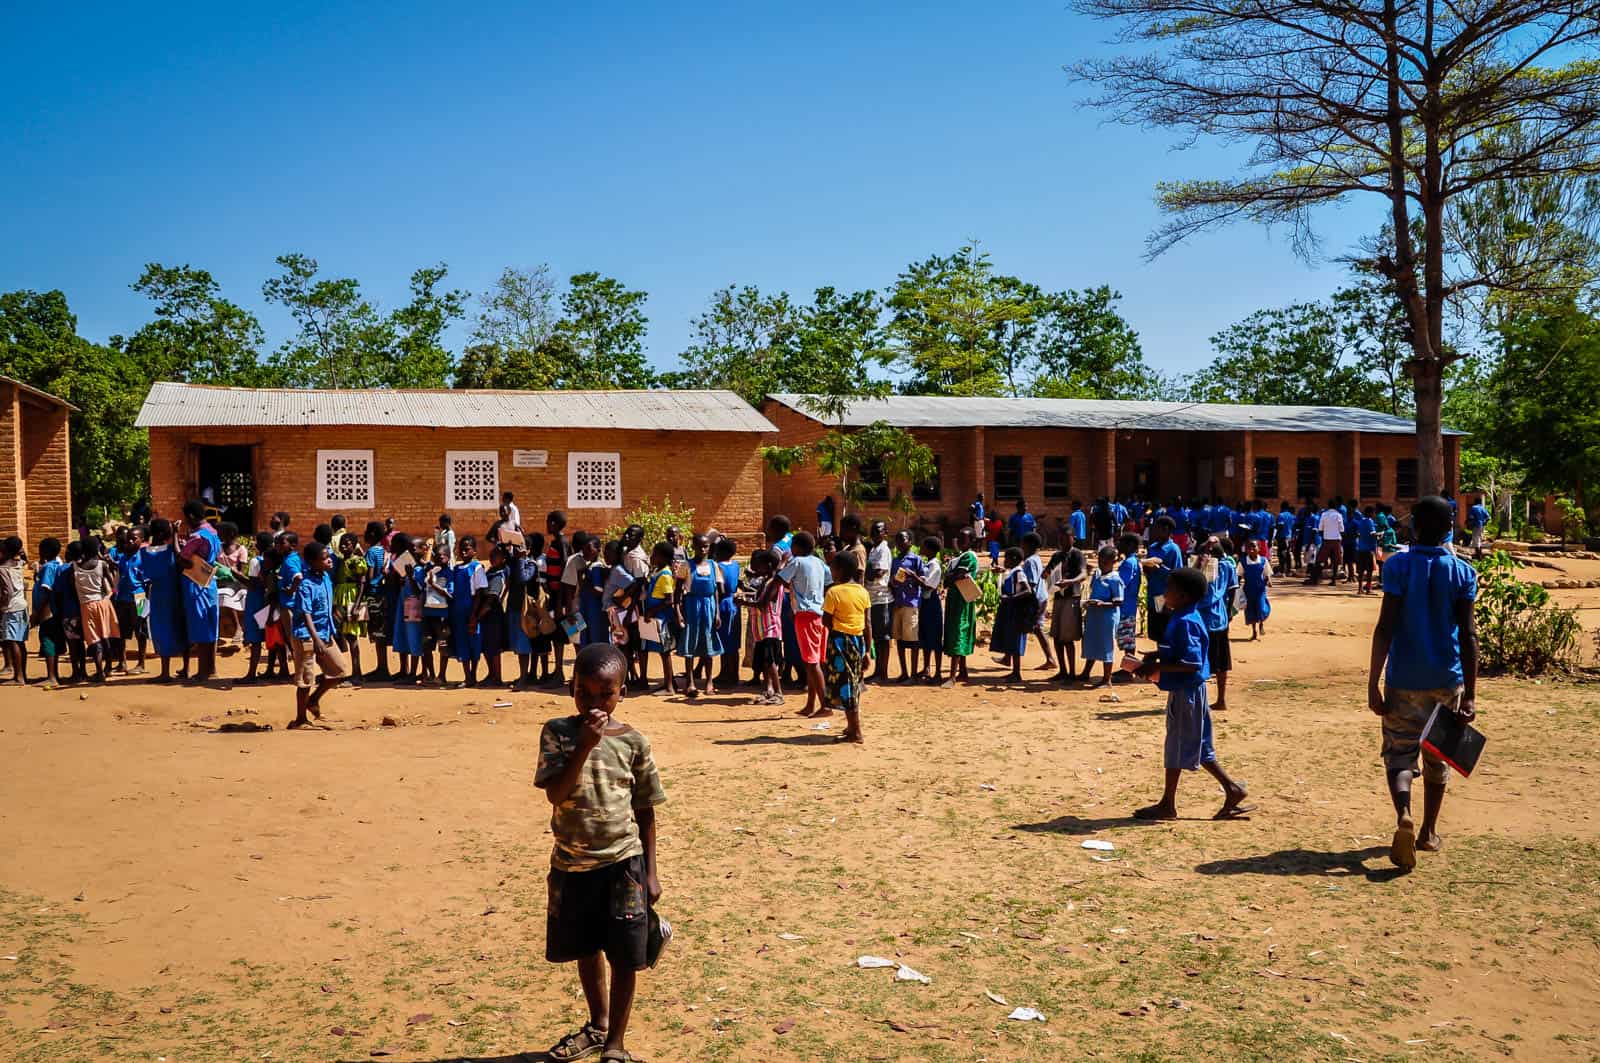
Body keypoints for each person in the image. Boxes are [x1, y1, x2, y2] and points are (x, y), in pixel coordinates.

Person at [535, 643, 665, 1063]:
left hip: (623, 863)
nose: (593, 703)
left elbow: (645, 811)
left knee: (626, 954)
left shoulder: (634, 743)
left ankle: (616, 1045)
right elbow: (556, 793)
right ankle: (598, 1024)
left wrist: (652, 873)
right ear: (571, 689)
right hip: (571, 864)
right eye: (583, 693)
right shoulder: (557, 732)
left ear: (621, 693)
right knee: (586, 948)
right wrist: (584, 747)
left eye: (604, 694)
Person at [1366, 495, 1478, 871]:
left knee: (1399, 753)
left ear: (1413, 526)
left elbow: (1385, 627)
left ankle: (1403, 815)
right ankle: (1429, 831)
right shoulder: (1463, 572)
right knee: (1438, 756)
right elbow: (1469, 636)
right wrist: (1471, 696)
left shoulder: (1397, 567)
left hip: (1403, 677)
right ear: (1451, 527)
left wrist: (1373, 682)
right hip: (1447, 677)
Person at [1131, 567, 1253, 821]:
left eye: (1170, 590)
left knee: (1177, 744)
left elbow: (1192, 663)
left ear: (1184, 595)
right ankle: (1232, 789)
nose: (1165, 594)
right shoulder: (1185, 616)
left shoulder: (1186, 621)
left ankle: (1169, 804)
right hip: (1188, 690)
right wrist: (1156, 657)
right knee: (1197, 745)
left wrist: (1156, 667)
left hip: (1186, 691)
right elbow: (1180, 654)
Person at [288, 541, 349, 727]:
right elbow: (306, 614)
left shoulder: (325, 578)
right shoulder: (306, 585)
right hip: (307, 635)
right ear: (312, 562)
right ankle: (300, 719)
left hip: (325, 633)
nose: (329, 560)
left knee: (340, 671)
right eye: (324, 558)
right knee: (305, 679)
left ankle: (313, 700)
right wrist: (316, 640)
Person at [821, 550, 872, 742]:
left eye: (832, 568)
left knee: (846, 687)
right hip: (858, 641)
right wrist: (867, 651)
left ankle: (856, 732)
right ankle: (851, 728)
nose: (831, 572)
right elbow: (868, 623)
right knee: (854, 684)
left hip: (840, 642)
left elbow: (826, 620)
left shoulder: (833, 592)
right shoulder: (862, 591)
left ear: (840, 570)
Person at [778, 532, 830, 716]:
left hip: (805, 615)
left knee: (811, 662)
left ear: (797, 547)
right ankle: (811, 704)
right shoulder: (819, 562)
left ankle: (824, 705)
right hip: (819, 615)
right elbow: (829, 582)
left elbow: (780, 579)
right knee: (812, 661)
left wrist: (783, 562)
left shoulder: (797, 562)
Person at [176, 499, 222, 682]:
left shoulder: (197, 537)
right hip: (209, 582)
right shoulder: (212, 532)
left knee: (201, 627)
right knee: (211, 627)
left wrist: (174, 538)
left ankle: (203, 671)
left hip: (195, 582)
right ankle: (211, 668)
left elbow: (183, 559)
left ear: (191, 516)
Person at [676, 533, 724, 697]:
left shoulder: (713, 565)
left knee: (708, 642)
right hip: (692, 606)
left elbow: (716, 591)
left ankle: (709, 681)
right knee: (691, 641)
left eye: (706, 546)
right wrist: (678, 612)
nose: (703, 549)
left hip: (709, 606)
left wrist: (717, 612)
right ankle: (690, 682)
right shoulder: (686, 565)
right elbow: (677, 591)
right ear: (693, 547)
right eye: (699, 546)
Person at [139, 520, 185, 682]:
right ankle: (184, 668)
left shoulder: (144, 552)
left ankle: (165, 672)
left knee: (160, 630)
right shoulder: (172, 550)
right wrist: (175, 533)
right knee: (179, 628)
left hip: (157, 594)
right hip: (175, 592)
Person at [1198, 538, 1237, 713]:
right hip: (1217, 618)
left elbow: (1228, 589)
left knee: (1206, 661)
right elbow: (1232, 589)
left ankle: (1217, 700)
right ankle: (1218, 699)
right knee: (1218, 662)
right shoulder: (1225, 566)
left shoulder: (1219, 566)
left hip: (1209, 619)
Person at [1046, 529, 1087, 683]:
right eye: (1060, 538)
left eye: (1066, 538)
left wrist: (1069, 582)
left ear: (1073, 539)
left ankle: (1071, 673)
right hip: (1058, 598)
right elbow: (1047, 572)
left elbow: (1083, 574)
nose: (1062, 542)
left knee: (1068, 638)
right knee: (1057, 636)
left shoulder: (1077, 554)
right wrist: (1047, 577)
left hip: (1072, 598)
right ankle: (1062, 671)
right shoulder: (1056, 556)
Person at [639, 542, 680, 695]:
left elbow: (669, 600)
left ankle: (669, 686)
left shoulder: (665, 575)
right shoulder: (657, 572)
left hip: (660, 618)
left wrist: (653, 611)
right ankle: (663, 683)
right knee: (652, 648)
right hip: (653, 616)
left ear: (663, 557)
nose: (652, 556)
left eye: (655, 554)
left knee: (665, 651)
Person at [941, 529, 980, 687]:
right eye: (959, 538)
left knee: (959, 632)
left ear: (971, 541)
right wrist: (950, 576)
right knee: (956, 631)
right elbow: (951, 577)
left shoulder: (970, 557)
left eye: (964, 539)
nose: (960, 541)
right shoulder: (960, 557)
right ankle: (962, 670)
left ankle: (952, 676)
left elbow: (955, 576)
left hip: (962, 600)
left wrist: (949, 576)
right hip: (955, 599)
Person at [1082, 545, 1124, 688]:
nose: (1102, 564)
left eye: (1105, 562)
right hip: (1095, 615)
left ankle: (1107, 679)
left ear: (1113, 562)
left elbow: (1118, 601)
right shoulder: (1098, 575)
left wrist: (1102, 604)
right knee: (1092, 641)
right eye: (1100, 561)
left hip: (1107, 617)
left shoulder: (1115, 579)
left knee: (1106, 645)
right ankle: (1086, 672)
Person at [989, 547, 1032, 683]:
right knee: (1011, 639)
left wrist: (1011, 598)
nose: (1004, 561)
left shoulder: (1019, 573)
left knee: (1015, 641)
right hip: (1009, 609)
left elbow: (1027, 590)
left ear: (1014, 559)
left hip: (1015, 610)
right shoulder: (1012, 572)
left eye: (1006, 558)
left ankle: (1017, 673)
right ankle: (1014, 671)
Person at [451, 535, 488, 687]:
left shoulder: (477, 568)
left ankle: (473, 674)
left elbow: (480, 593)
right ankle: (467, 676)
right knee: (461, 642)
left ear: (474, 551)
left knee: (474, 642)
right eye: (461, 550)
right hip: (458, 611)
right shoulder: (456, 569)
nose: (463, 552)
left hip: (471, 609)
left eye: (467, 549)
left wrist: (474, 616)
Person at [110, 526, 148, 674]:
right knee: (121, 631)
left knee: (140, 631)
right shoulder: (123, 558)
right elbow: (119, 576)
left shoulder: (143, 557)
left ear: (142, 540)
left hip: (139, 597)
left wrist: (147, 602)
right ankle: (122, 662)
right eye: (128, 539)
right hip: (123, 597)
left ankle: (141, 664)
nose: (130, 542)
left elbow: (148, 581)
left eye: (134, 539)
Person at [888, 531, 924, 682]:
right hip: (898, 603)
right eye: (897, 540)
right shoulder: (895, 561)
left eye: (902, 540)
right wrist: (893, 582)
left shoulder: (916, 559)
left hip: (911, 603)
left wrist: (912, 576)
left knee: (913, 640)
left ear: (910, 541)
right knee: (900, 639)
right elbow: (891, 581)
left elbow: (923, 580)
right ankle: (904, 672)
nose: (899, 543)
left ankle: (914, 674)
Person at [333, 532, 368, 687]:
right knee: (342, 634)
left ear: (354, 546)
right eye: (341, 543)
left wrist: (356, 605)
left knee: (352, 637)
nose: (343, 546)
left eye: (347, 543)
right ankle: (342, 672)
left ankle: (357, 674)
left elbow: (362, 583)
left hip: (351, 598)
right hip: (339, 598)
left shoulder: (357, 561)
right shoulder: (340, 561)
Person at [1141, 516, 1184, 644]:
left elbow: (1177, 574)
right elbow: (1146, 570)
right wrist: (1147, 568)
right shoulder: (1153, 547)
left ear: (1168, 531)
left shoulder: (1173, 549)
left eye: (1160, 529)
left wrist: (1159, 569)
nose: (1157, 532)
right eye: (1156, 529)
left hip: (1164, 596)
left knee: (1165, 629)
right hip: (1152, 593)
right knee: (1155, 630)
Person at [31, 537, 67, 688]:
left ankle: (51, 677)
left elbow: (46, 591)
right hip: (57, 610)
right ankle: (54, 674)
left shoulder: (48, 568)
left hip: (48, 612)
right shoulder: (58, 564)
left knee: (47, 641)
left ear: (45, 551)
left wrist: (38, 613)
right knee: (53, 641)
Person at [240, 531, 274, 683]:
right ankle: (271, 669)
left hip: (255, 601)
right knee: (269, 636)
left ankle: (251, 674)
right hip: (268, 601)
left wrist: (235, 574)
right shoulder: (272, 560)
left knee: (255, 639)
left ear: (259, 545)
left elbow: (252, 584)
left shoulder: (255, 561)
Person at [476, 543, 511, 687]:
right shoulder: (491, 571)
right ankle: (491, 674)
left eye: (495, 556)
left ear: (503, 558)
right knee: (486, 646)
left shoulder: (498, 574)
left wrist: (478, 615)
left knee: (494, 647)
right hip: (487, 614)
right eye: (491, 555)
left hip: (493, 613)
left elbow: (491, 598)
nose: (492, 558)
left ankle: (497, 677)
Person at [864, 521, 893, 682]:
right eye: (873, 531)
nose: (875, 534)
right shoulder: (874, 550)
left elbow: (878, 573)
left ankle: (883, 673)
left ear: (885, 533)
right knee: (877, 637)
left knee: (883, 638)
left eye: (878, 531)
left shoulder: (883, 550)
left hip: (882, 598)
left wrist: (869, 572)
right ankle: (878, 671)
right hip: (872, 598)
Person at [915, 536, 945, 683]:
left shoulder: (935, 566)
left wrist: (913, 577)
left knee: (934, 638)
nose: (921, 548)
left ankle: (938, 672)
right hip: (926, 603)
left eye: (924, 546)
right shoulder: (928, 564)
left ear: (930, 549)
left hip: (932, 603)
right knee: (926, 637)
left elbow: (928, 585)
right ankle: (926, 667)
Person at [1113, 533, 1143, 677]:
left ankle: (1129, 671)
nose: (1118, 546)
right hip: (1129, 604)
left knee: (1127, 639)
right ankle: (1128, 669)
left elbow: (1121, 583)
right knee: (1127, 638)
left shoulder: (1128, 563)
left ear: (1130, 545)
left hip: (1126, 605)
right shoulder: (1132, 561)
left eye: (1121, 543)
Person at [0, 537, 27, 685]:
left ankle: (19, 678)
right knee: (20, 642)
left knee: (13, 642)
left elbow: (7, 591)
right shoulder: (19, 564)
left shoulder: (3, 569)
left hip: (11, 608)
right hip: (21, 605)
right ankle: (22, 674)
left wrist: (2, 605)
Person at [1240, 538, 1272, 640]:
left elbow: (1266, 574)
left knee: (1261, 608)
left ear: (1259, 548)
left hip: (1260, 590)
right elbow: (1239, 575)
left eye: (1254, 546)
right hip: (1249, 590)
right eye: (1249, 547)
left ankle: (1261, 623)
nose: (1251, 549)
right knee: (1251, 610)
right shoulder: (1243, 562)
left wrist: (1268, 581)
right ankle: (1254, 631)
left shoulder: (1263, 560)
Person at [1313, 503, 1346, 585]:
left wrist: (1324, 536)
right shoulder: (1339, 515)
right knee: (1335, 561)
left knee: (1320, 559)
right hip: (1336, 540)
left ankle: (1316, 578)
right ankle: (1334, 580)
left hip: (1326, 540)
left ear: (1328, 506)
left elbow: (1320, 528)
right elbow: (1342, 529)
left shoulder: (1324, 515)